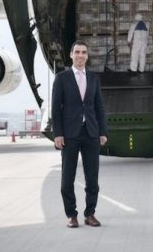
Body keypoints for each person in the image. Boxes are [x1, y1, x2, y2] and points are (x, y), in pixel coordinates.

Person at [52, 40, 108, 228]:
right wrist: (58, 133)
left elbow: (99, 107)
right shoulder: (62, 78)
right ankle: (71, 215)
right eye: (77, 52)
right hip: (69, 134)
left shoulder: (94, 79)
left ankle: (90, 214)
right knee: (67, 178)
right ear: (71, 55)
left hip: (91, 132)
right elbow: (56, 109)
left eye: (84, 52)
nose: (80, 55)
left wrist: (102, 131)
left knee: (92, 178)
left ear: (87, 56)